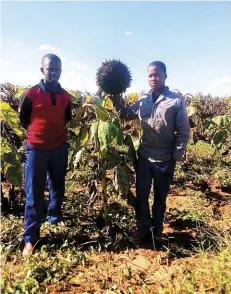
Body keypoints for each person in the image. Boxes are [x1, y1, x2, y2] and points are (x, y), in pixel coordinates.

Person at [111, 61, 190, 243]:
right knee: (142, 196)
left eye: (157, 74)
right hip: (145, 156)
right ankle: (142, 227)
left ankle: (157, 230)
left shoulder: (175, 101)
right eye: (150, 75)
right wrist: (115, 95)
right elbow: (124, 115)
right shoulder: (143, 101)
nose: (153, 78)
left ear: (165, 76)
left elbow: (183, 131)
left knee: (160, 198)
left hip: (165, 158)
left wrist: (176, 156)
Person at [18, 54, 72, 256]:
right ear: (42, 70)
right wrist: (37, 135)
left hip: (59, 147)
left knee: (57, 185)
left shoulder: (66, 97)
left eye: (57, 69)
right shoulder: (31, 94)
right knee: (34, 192)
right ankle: (30, 239)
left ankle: (54, 218)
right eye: (50, 69)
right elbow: (23, 119)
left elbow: (66, 119)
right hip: (36, 149)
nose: (54, 73)